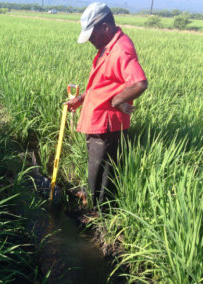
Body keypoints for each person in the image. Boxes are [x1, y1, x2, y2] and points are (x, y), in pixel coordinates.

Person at [65, 2, 148, 209]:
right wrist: (81, 98)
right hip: (96, 121)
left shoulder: (121, 49)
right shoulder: (107, 47)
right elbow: (102, 83)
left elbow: (140, 83)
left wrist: (117, 101)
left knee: (103, 171)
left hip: (107, 125)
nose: (91, 40)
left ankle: (98, 212)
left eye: (93, 34)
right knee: (95, 167)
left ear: (105, 27)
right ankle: (88, 194)